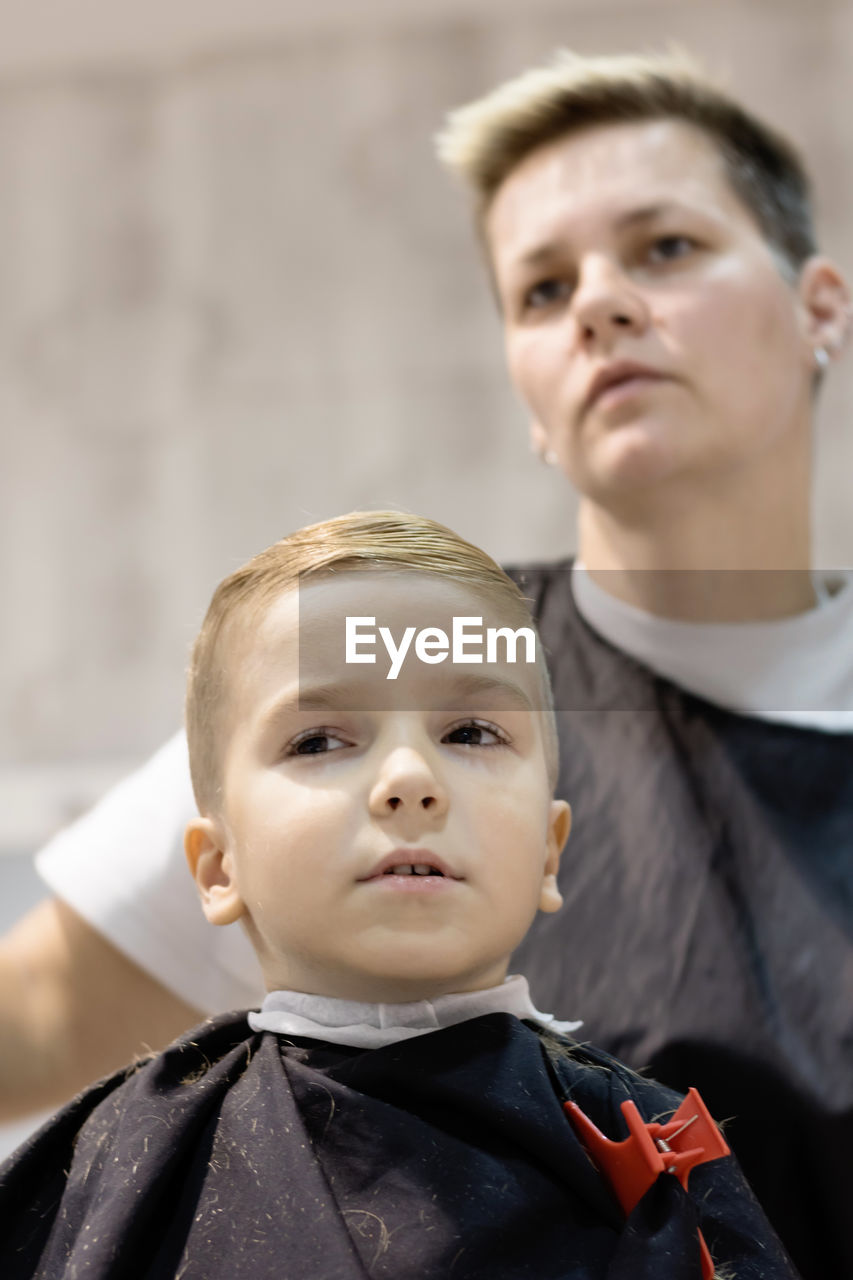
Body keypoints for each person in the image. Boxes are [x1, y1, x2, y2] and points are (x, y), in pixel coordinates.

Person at [1, 47, 851, 1277]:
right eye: (543, 289)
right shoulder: (399, 648)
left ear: (818, 303)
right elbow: (32, 1012)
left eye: (664, 248)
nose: (601, 304)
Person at [0, 511, 797, 1280]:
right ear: (217, 868)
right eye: (319, 740)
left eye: (470, 733)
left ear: (550, 852)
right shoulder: (119, 1169)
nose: (410, 780)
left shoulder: (651, 1156)